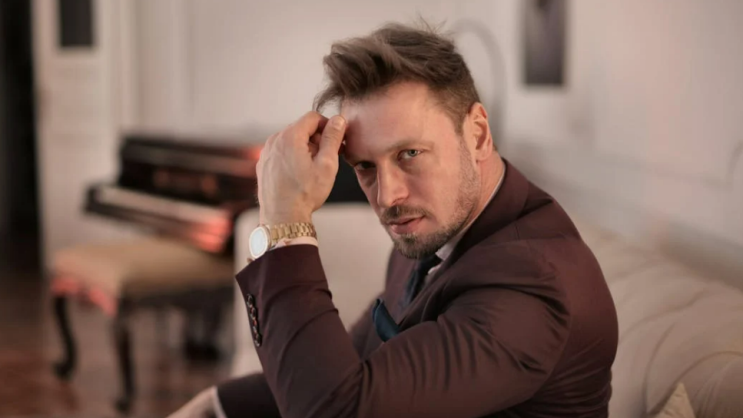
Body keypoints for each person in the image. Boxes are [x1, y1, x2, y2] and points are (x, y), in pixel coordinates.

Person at [169, 22, 617, 418]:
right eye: (365, 166)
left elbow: (334, 409)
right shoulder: (431, 232)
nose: (388, 197)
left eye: (410, 153)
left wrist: (285, 222)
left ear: (478, 134)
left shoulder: (532, 284)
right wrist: (218, 404)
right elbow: (346, 366)